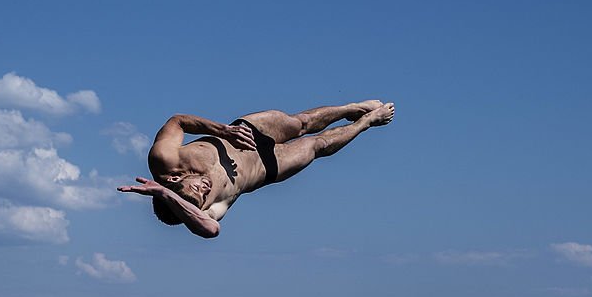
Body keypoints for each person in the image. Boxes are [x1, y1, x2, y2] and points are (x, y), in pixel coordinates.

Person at [117, 100, 395, 238]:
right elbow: (210, 230)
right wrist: (168, 197)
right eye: (202, 196)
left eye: (195, 187)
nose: (205, 189)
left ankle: (351, 108)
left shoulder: (163, 160)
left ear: (175, 178)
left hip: (245, 133)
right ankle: (367, 122)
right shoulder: (205, 211)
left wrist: (224, 130)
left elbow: (177, 121)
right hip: (266, 167)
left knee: (300, 124)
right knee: (316, 145)